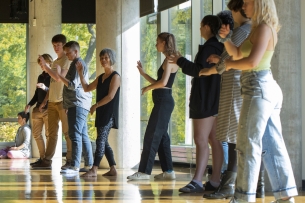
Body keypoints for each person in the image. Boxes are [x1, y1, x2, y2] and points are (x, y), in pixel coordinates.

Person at [217, 0, 298, 202]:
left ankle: (243, 197)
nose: (243, 6)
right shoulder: (257, 28)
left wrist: (228, 65)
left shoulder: (264, 28)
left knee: (247, 145)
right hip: (261, 88)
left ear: (260, 3)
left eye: (247, 3)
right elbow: (237, 52)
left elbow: (252, 62)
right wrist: (226, 38)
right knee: (272, 145)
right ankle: (286, 195)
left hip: (257, 87)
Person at [167, 15, 224, 193]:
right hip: (214, 98)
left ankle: (197, 180)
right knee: (214, 140)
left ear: (208, 27)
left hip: (204, 98)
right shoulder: (218, 46)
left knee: (200, 139)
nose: (199, 29)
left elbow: (200, 71)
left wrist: (180, 60)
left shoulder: (209, 47)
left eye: (201, 26)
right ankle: (215, 180)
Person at [127, 32, 179, 180]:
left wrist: (146, 89)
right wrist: (143, 74)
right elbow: (159, 81)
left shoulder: (170, 59)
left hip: (164, 101)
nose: (156, 44)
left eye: (158, 42)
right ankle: (169, 171)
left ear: (164, 43)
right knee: (162, 137)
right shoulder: (167, 59)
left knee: (151, 134)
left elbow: (162, 84)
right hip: (162, 100)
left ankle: (144, 172)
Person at [75, 48, 120, 177]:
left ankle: (94, 169)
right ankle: (113, 168)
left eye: (106, 57)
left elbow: (111, 96)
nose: (103, 60)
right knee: (103, 141)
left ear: (111, 59)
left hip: (109, 112)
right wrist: (81, 74)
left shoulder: (115, 76)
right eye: (101, 58)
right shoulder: (101, 77)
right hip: (101, 111)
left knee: (100, 140)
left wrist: (95, 105)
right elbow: (87, 88)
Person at [32, 34, 73, 170]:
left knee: (67, 133)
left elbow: (58, 78)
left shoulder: (67, 60)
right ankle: (47, 160)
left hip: (63, 101)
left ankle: (70, 160)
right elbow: (52, 83)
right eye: (54, 45)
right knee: (52, 134)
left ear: (63, 45)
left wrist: (46, 66)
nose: (56, 48)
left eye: (58, 45)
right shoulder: (55, 62)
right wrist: (45, 101)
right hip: (52, 102)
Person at [56, 41, 93, 174]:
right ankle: (89, 164)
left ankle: (75, 166)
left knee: (74, 134)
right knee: (82, 134)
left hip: (77, 103)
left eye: (68, 53)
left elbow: (72, 85)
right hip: (76, 104)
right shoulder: (75, 64)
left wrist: (60, 76)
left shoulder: (78, 64)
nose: (66, 55)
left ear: (76, 52)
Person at [25, 54, 52, 164]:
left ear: (49, 62)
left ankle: (47, 160)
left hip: (49, 109)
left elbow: (54, 91)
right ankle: (42, 158)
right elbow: (37, 94)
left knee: (49, 135)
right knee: (36, 134)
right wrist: (30, 104)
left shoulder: (53, 75)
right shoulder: (41, 76)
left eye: (43, 63)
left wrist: (44, 87)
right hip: (37, 109)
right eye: (40, 63)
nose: (41, 65)